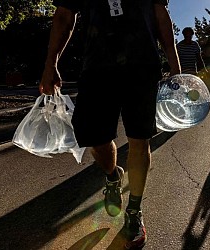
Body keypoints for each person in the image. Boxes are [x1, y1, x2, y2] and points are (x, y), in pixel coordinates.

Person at [39, 1, 180, 248]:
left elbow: (159, 13)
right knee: (94, 138)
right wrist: (51, 63)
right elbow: (64, 15)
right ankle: (113, 175)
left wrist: (175, 66)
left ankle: (134, 212)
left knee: (140, 137)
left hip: (142, 66)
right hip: (97, 67)